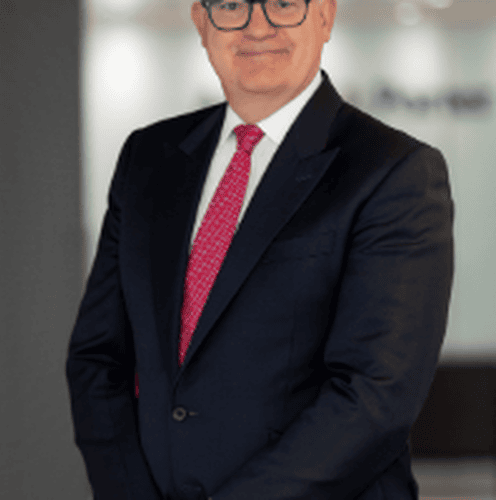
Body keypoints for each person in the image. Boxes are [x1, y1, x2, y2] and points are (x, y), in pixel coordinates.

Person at [65, 0, 454, 498]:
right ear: (201, 22)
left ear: (325, 16)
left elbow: (375, 395)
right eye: (232, 5)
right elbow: (98, 359)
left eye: (283, 4)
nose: (257, 26)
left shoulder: (394, 170)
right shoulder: (148, 157)